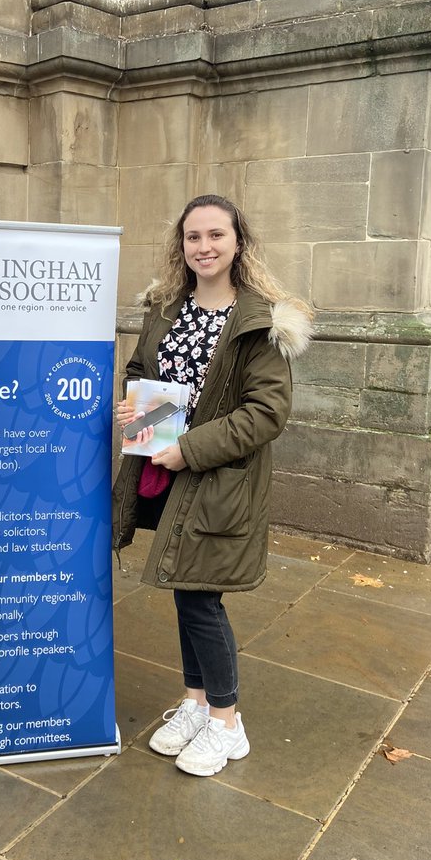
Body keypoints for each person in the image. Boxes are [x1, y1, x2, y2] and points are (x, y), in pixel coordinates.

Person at [112, 194, 311, 777]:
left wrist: (189, 449)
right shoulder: (165, 310)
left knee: (201, 598)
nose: (204, 247)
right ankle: (197, 703)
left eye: (216, 235)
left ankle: (228, 723)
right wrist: (135, 412)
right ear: (182, 246)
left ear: (237, 242)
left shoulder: (260, 321)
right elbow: (139, 374)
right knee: (185, 586)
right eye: (193, 237)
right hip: (165, 470)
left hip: (220, 478)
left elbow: (266, 413)